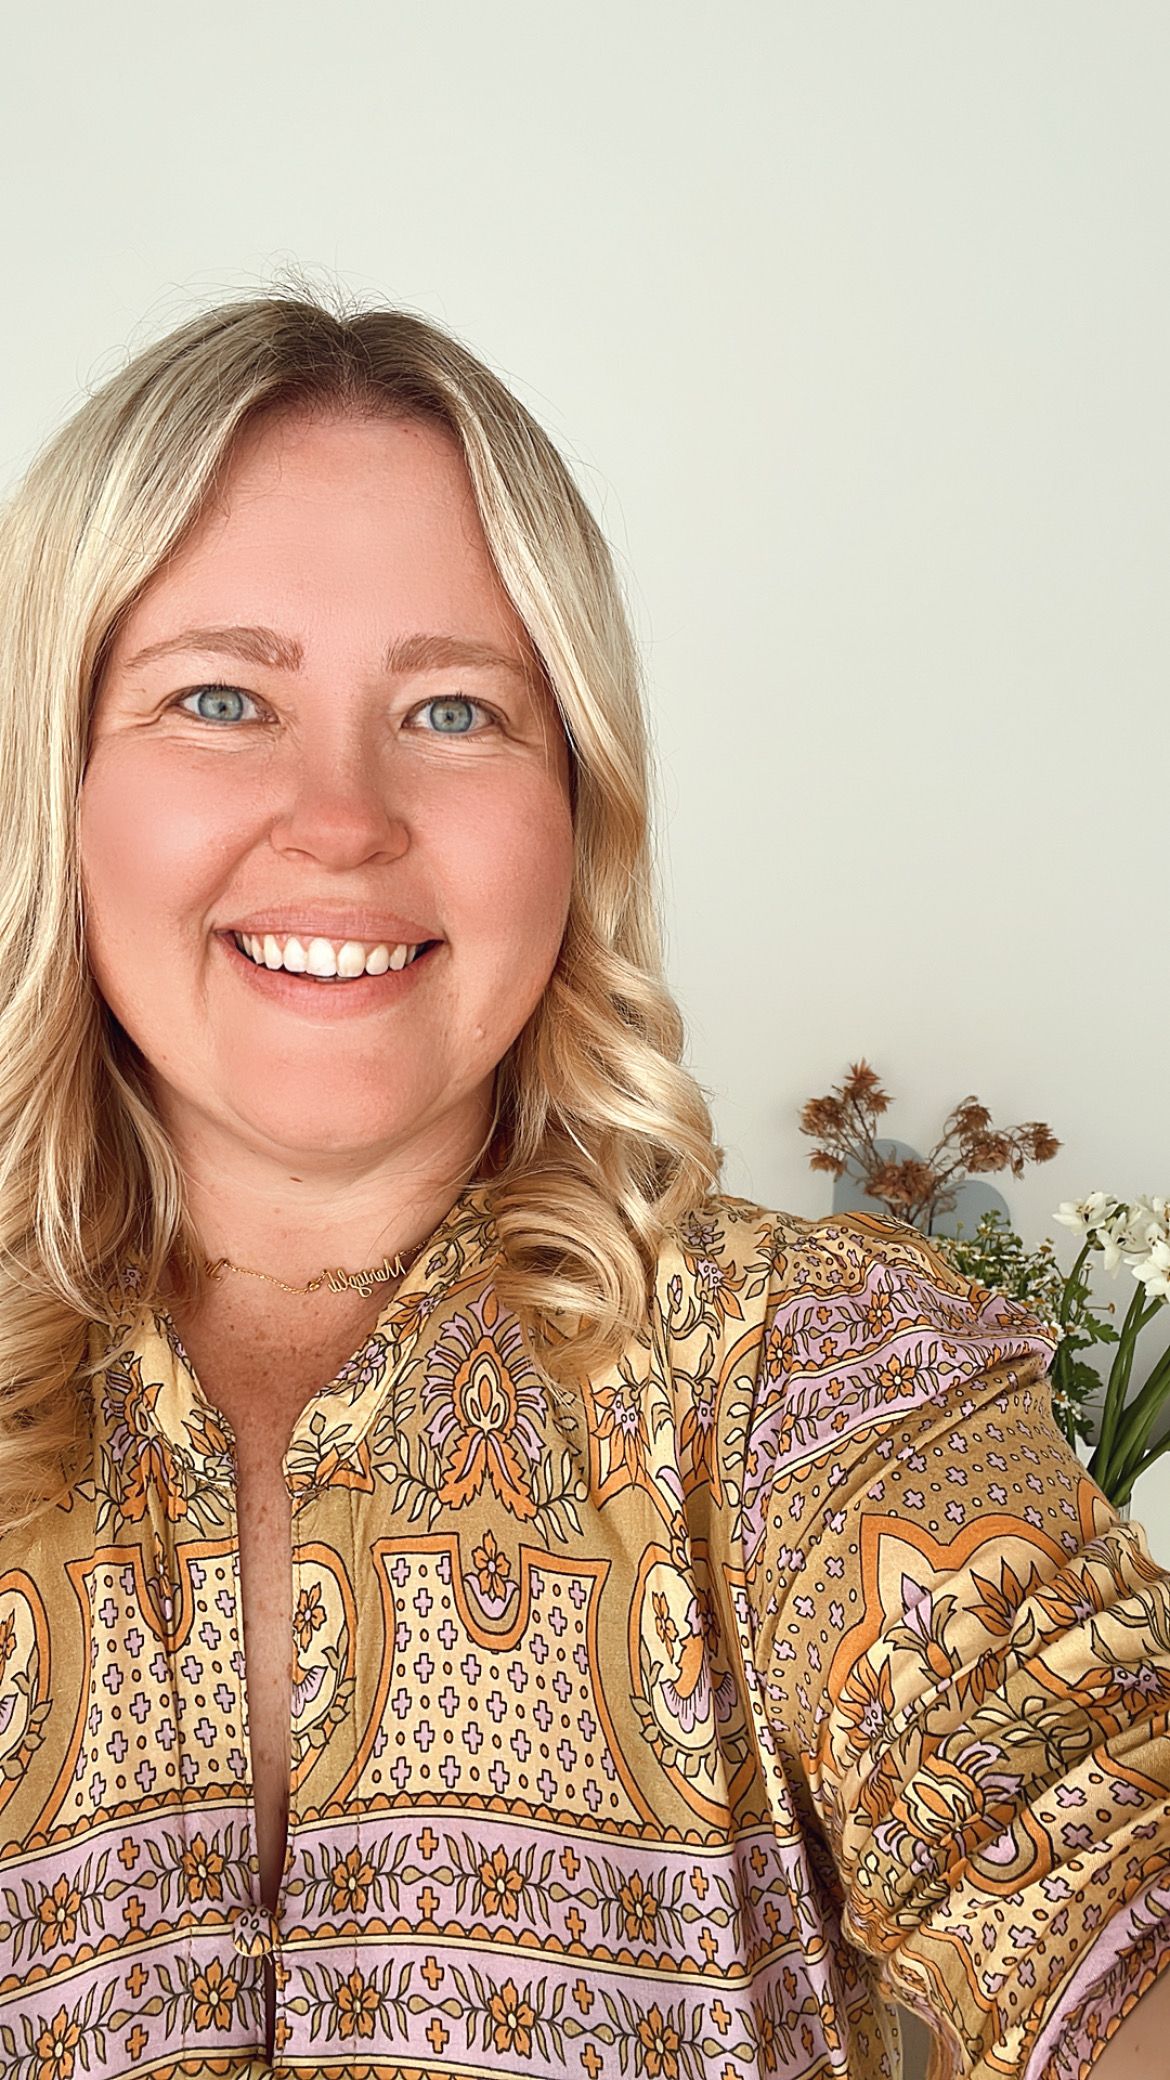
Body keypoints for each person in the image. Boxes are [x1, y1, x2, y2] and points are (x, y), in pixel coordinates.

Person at [0, 292, 1164, 2080]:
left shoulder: (816, 1374)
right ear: (55, 780)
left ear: (578, 806)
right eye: (219, 697)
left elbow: (1095, 1850)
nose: (342, 816)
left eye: (454, 708)